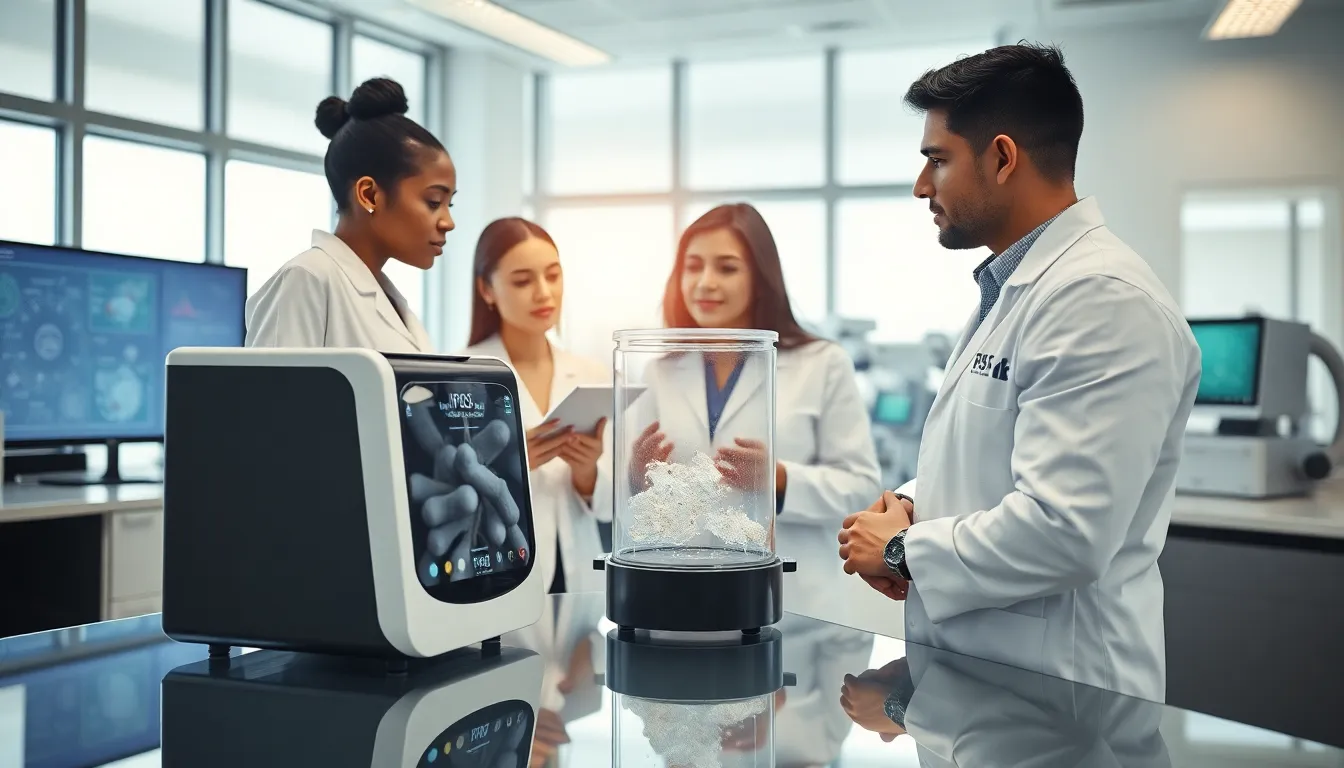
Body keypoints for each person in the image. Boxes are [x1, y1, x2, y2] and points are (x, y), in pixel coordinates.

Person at [836, 43, 1201, 702]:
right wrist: (916, 504)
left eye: (937, 161)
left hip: (1066, 698)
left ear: (1002, 157)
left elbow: (1067, 532)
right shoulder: (1016, 287)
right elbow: (1003, 453)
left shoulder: (1102, 299)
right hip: (989, 689)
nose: (922, 186)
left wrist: (905, 551)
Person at [632, 204, 882, 609]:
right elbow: (637, 494)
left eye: (727, 268)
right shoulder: (659, 371)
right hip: (681, 590)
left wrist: (777, 478)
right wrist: (636, 474)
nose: (705, 283)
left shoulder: (822, 363)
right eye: (693, 267)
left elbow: (861, 487)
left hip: (793, 602)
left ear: (761, 279)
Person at [245, 77, 455, 351]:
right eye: (433, 201)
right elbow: (272, 393)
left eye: (449, 205)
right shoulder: (307, 279)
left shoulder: (389, 298)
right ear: (368, 195)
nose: (448, 223)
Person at [459, 217, 611, 595]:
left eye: (553, 276)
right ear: (487, 290)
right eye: (523, 281)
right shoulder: (460, 373)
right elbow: (446, 492)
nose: (544, 293)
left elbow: (610, 506)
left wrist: (588, 471)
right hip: (497, 567)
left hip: (579, 573)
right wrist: (513, 464)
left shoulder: (592, 374)